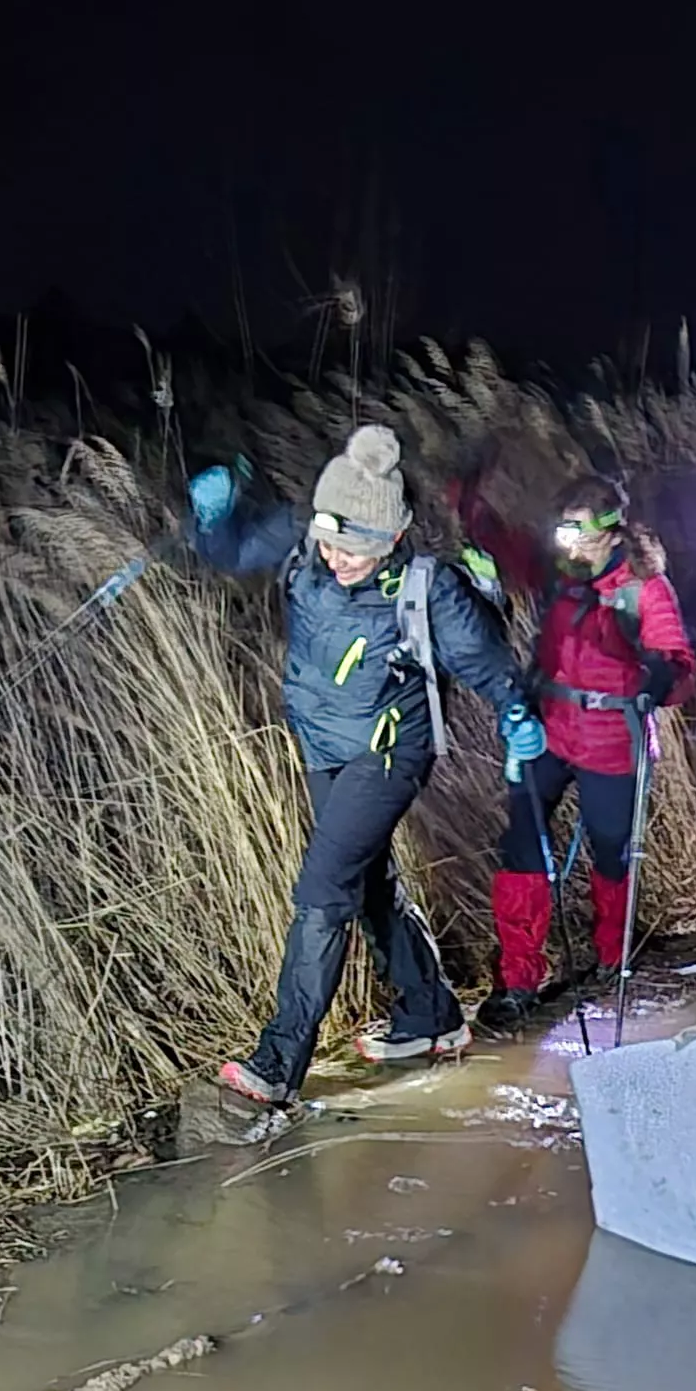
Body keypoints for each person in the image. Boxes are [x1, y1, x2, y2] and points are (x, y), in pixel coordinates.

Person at [187, 425, 527, 1106]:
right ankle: (431, 1016)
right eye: (331, 541)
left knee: (323, 892)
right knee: (370, 886)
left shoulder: (427, 586)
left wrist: (519, 719)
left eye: (357, 548)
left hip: (389, 750)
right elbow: (231, 553)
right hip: (323, 742)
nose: (338, 557)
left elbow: (487, 663)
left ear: (393, 538)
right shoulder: (305, 541)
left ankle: (279, 1063)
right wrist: (213, 518)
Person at [482, 478, 696, 1030]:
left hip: (611, 737)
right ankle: (518, 977)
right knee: (522, 845)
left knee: (610, 850)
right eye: (564, 529)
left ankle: (610, 954)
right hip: (551, 728)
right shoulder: (563, 578)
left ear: (609, 531)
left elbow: (677, 659)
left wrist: (661, 674)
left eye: (578, 529)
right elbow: (507, 553)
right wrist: (472, 506)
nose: (569, 541)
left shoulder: (643, 588)